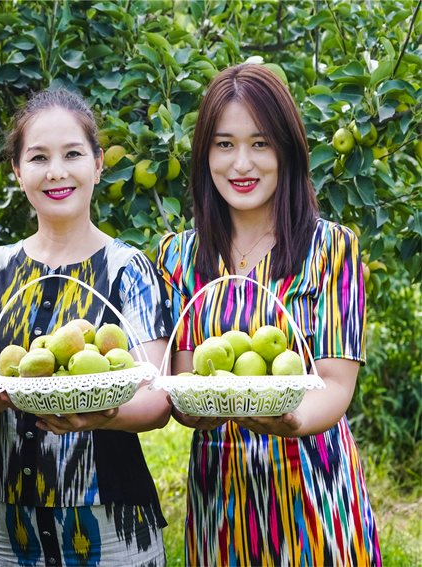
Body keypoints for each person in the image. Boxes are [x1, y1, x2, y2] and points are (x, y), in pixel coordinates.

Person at [155, 64, 380, 566]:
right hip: (222, 494)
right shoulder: (179, 257)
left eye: (260, 143)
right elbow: (184, 382)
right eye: (224, 144)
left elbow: (336, 383)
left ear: (287, 150)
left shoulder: (332, 249)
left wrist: (292, 420)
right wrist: (190, 408)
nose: (242, 163)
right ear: (203, 154)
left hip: (314, 486)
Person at [0, 88, 172, 567]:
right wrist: (9, 390)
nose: (56, 171)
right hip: (11, 528)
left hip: (114, 524)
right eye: (38, 157)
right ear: (18, 173)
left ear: (98, 164)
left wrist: (102, 415)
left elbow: (156, 397)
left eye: (73, 154)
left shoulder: (128, 268)